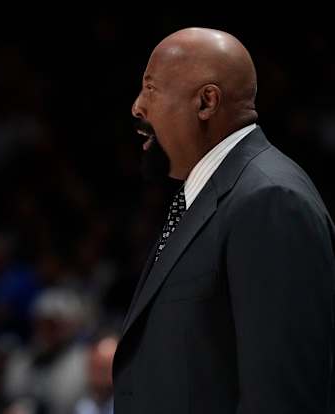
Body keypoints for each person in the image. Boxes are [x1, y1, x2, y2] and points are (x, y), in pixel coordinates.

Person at [113, 27, 335, 413]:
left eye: (150, 88)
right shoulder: (207, 196)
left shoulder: (270, 200)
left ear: (206, 102)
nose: (136, 106)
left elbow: (282, 397)